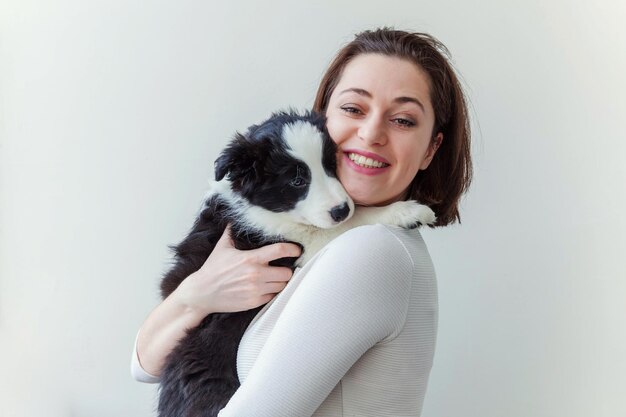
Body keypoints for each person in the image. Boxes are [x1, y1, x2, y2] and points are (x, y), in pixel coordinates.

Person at [131, 27, 472, 416]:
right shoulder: (334, 236)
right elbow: (144, 365)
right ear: (322, 116)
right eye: (353, 109)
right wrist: (199, 293)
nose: (371, 133)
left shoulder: (373, 249)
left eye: (403, 120)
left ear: (431, 148)